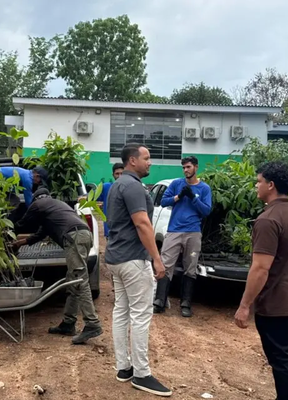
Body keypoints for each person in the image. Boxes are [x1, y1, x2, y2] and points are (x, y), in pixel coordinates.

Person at [234, 161, 288, 400]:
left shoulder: (268, 220)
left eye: (258, 181)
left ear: (271, 185)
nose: (256, 186)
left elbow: (260, 269)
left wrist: (245, 305)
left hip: (276, 301)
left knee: (280, 357)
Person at [105, 144, 171, 397]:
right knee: (141, 315)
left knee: (121, 311)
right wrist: (157, 258)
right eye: (146, 158)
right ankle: (141, 374)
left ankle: (124, 367)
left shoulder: (118, 185)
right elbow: (142, 224)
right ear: (133, 161)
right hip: (132, 259)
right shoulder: (132, 186)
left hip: (116, 258)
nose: (150, 162)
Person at [10, 188, 102, 344]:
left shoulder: (39, 204)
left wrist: (7, 228)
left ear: (36, 199)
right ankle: (68, 323)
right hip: (83, 236)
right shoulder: (55, 207)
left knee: (79, 280)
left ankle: (92, 323)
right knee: (72, 280)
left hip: (75, 238)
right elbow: (40, 234)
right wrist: (20, 243)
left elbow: (22, 224)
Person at [154, 156, 212, 317]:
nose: (186, 170)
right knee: (166, 264)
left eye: (188, 167)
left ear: (196, 167)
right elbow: (164, 202)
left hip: (193, 231)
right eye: (184, 168)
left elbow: (206, 211)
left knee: (190, 267)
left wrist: (193, 198)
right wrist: (179, 197)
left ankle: (186, 303)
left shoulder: (204, 189)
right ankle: (160, 301)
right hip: (174, 230)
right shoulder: (176, 184)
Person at [97, 163, 125, 239]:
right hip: (111, 231)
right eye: (117, 174)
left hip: (126, 232)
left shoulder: (131, 188)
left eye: (122, 174)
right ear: (113, 175)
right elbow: (93, 196)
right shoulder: (106, 187)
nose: (119, 176)